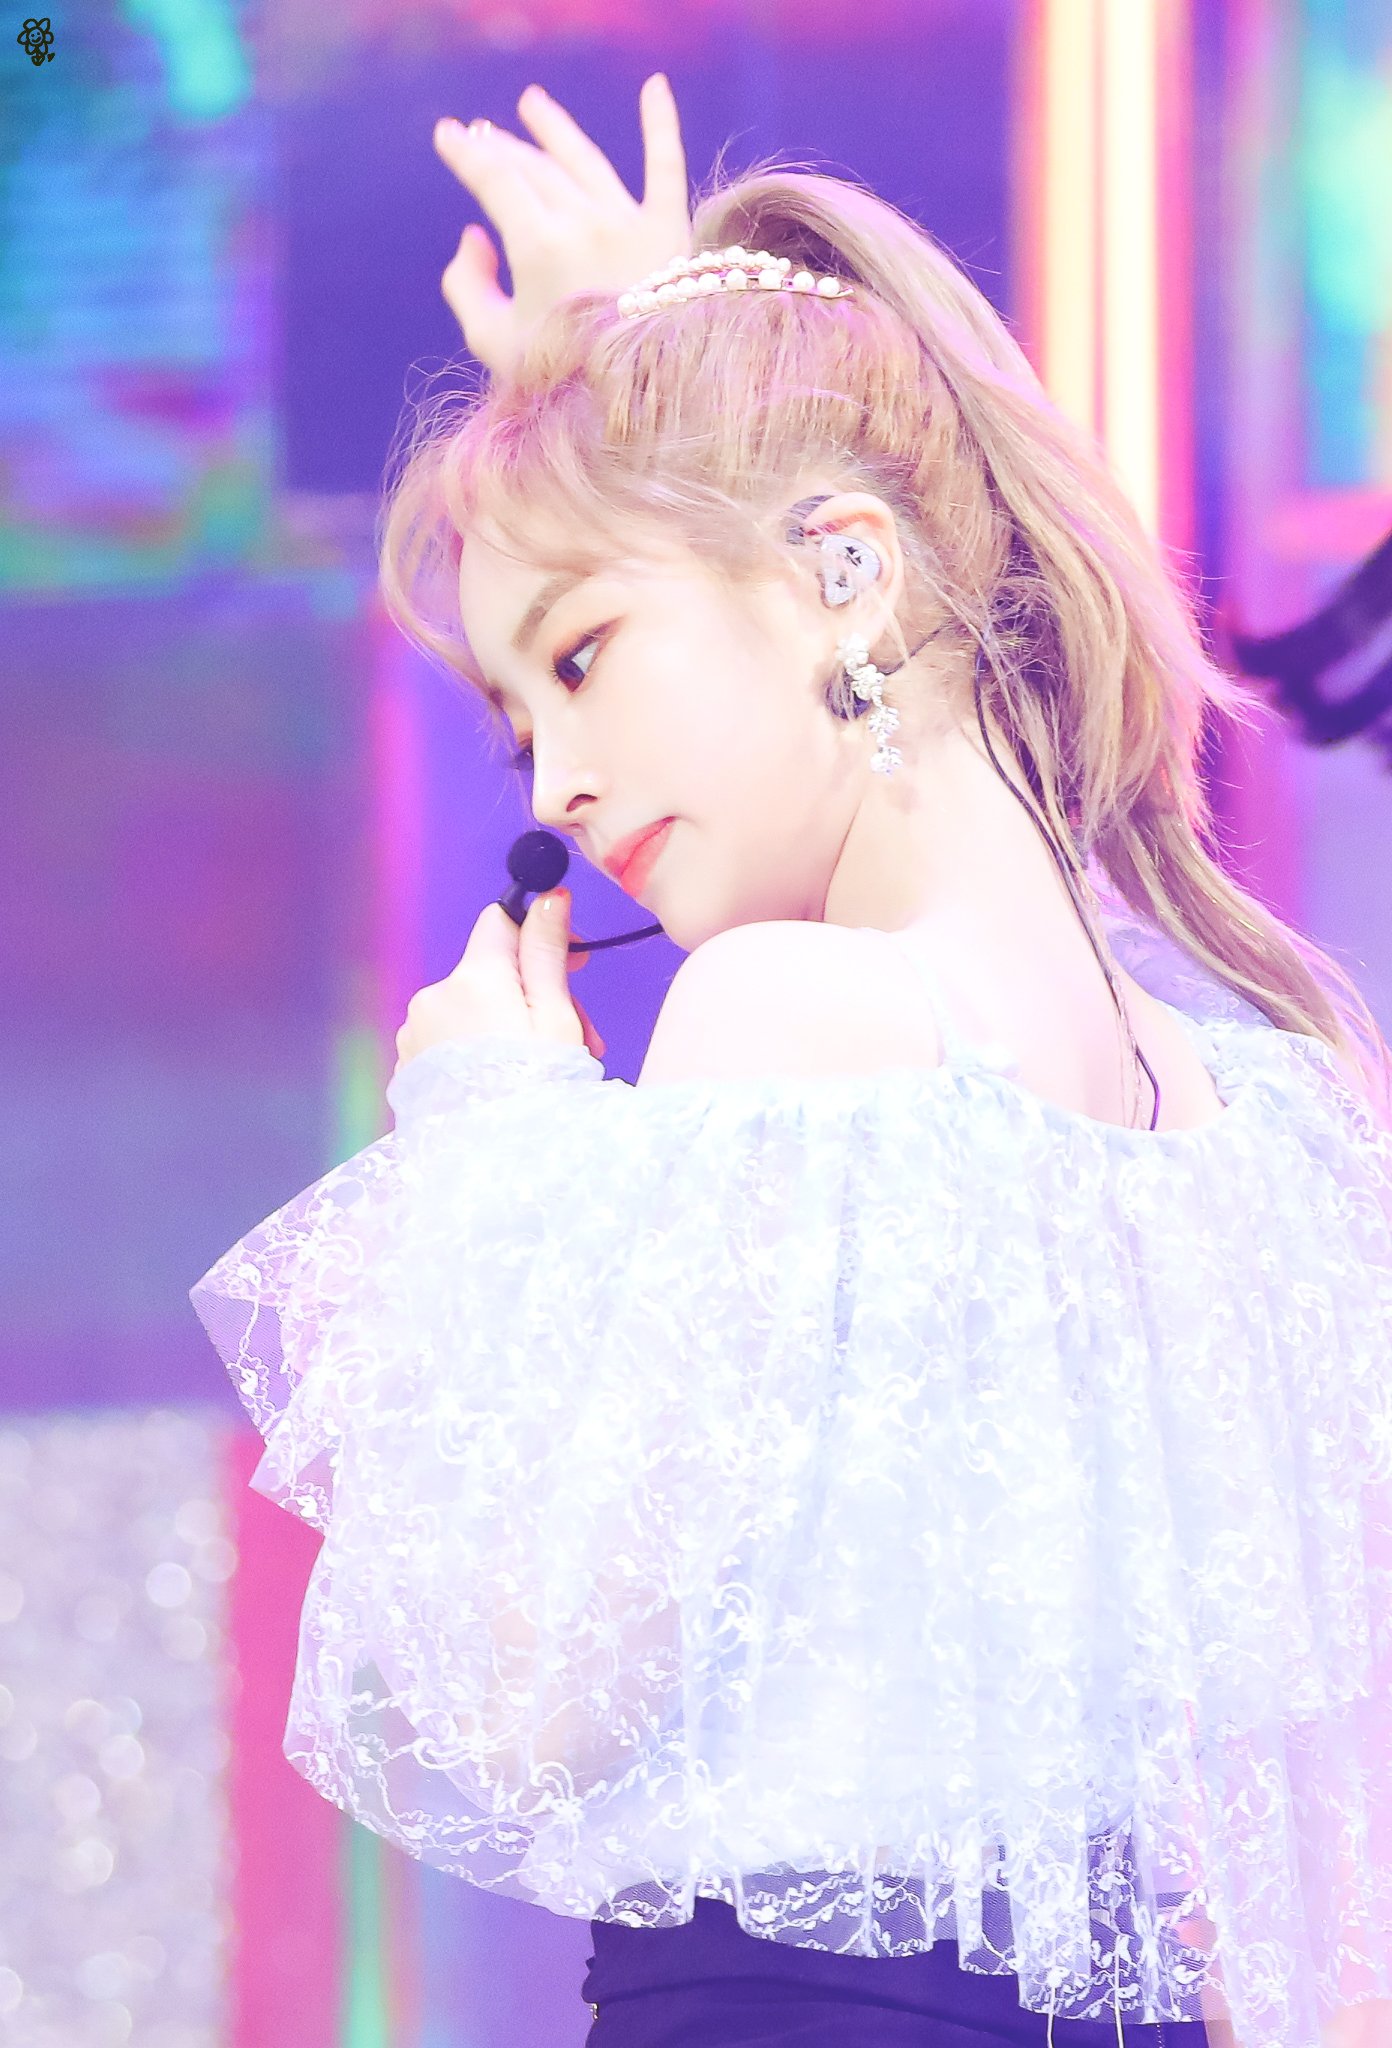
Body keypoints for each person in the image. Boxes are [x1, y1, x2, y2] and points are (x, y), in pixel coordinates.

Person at [190, 74, 1392, 2048]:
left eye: (584, 653)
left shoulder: (784, 1020)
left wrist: (491, 1131)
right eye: (519, 724)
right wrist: (680, 363)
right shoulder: (1237, 1112)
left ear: (849, 568)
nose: (558, 786)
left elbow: (532, 1704)